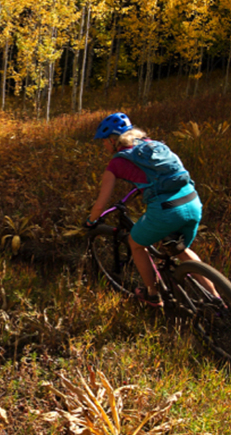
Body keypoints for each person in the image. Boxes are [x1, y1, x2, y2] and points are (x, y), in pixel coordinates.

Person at [87, 112, 208, 306]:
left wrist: (91, 221)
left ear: (112, 140)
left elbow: (101, 204)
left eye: (103, 142)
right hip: (193, 201)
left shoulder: (116, 163)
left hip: (167, 209)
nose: (103, 146)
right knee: (181, 250)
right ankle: (218, 299)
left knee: (135, 243)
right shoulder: (154, 146)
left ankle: (152, 293)